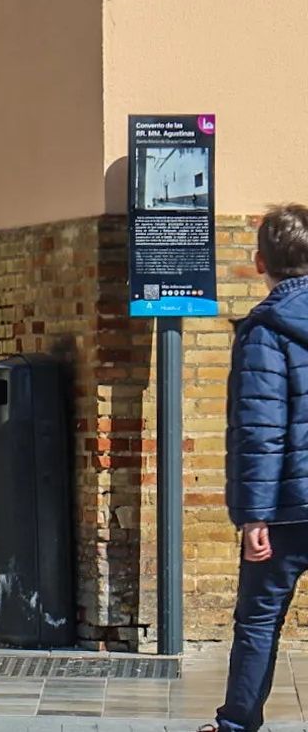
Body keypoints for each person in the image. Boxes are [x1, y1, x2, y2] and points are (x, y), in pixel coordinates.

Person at [212, 204, 308, 732]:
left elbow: (260, 431)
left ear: (258, 262)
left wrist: (253, 517)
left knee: (258, 624)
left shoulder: (264, 331)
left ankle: (237, 725)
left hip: (284, 513)